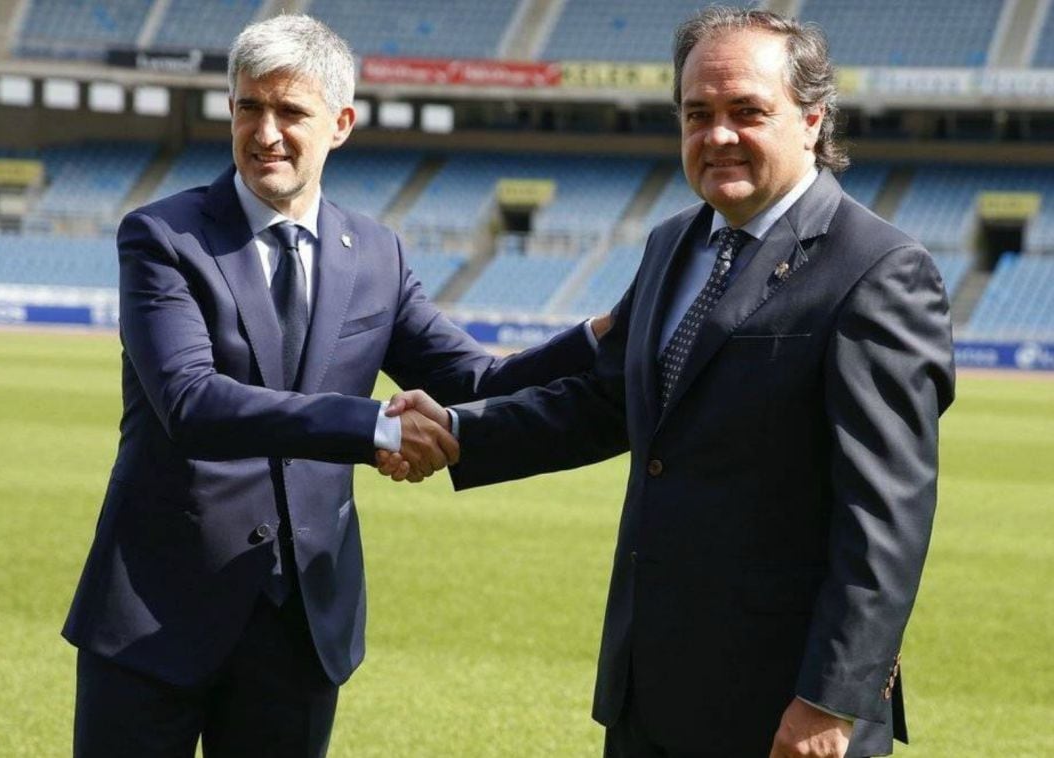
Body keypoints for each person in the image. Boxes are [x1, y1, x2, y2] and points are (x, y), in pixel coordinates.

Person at [381, 8, 955, 758]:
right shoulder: (672, 243)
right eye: (697, 113)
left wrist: (830, 703)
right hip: (650, 687)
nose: (717, 135)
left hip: (784, 704)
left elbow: (886, 519)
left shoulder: (877, 270)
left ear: (812, 120)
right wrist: (461, 433)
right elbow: (606, 400)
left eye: (747, 111)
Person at [62, 13, 608, 758]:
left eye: (291, 112)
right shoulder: (163, 236)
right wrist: (376, 428)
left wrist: (596, 338)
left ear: (341, 123)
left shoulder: (375, 254)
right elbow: (190, 402)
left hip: (301, 625)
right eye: (250, 107)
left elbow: (475, 379)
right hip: (155, 612)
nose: (266, 133)